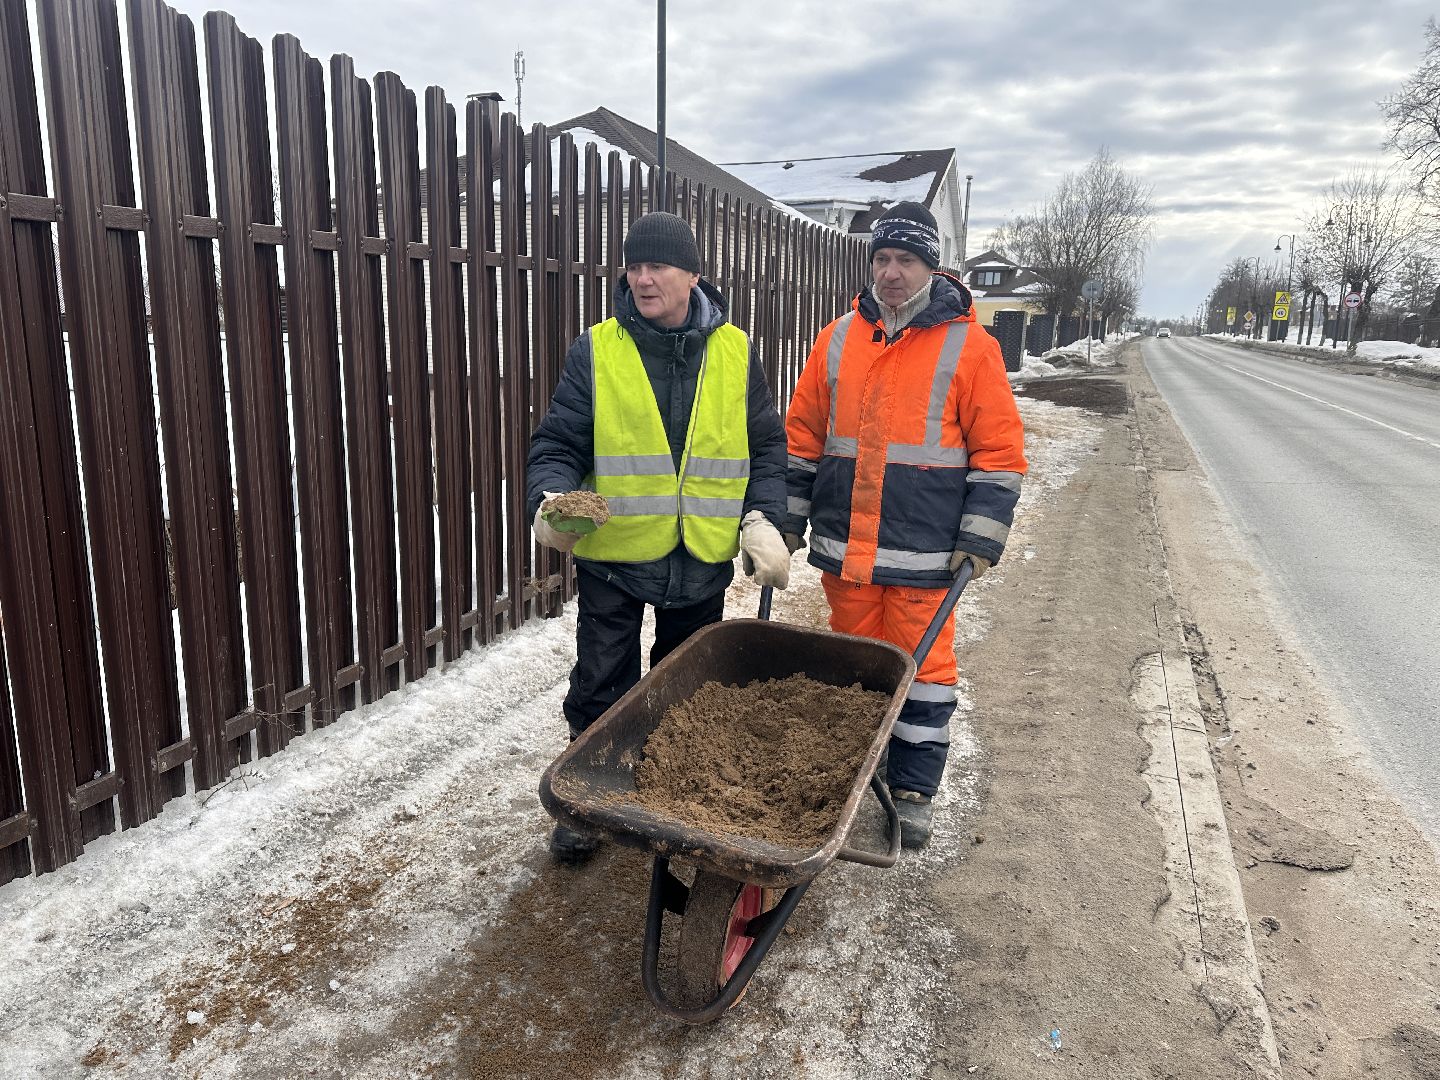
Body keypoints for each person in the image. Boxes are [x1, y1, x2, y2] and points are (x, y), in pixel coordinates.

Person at [527, 210, 791, 863]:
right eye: (634, 265)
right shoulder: (598, 349)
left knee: (684, 685)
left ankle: (671, 793)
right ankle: (587, 801)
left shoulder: (735, 351)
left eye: (658, 266)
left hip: (700, 556)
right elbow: (559, 441)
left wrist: (763, 517)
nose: (643, 278)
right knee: (600, 680)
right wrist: (552, 498)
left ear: (692, 274)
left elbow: (766, 449)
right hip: (615, 558)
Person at [783, 201, 1027, 849]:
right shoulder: (837, 338)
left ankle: (914, 786)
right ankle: (864, 769)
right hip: (847, 553)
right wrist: (787, 522)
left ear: (931, 267)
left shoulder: (971, 347)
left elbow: (999, 454)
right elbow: (804, 437)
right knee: (859, 669)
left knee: (923, 671)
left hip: (925, 556)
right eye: (882, 258)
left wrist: (980, 536)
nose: (891, 272)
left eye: (906, 260)